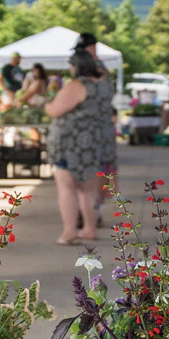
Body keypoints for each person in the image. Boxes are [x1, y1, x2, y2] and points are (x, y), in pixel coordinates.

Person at [45, 49, 117, 244]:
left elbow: (55, 110)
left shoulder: (76, 86)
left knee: (67, 187)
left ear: (76, 67)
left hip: (72, 145)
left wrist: (46, 105)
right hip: (98, 142)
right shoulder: (105, 84)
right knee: (90, 189)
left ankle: (69, 231)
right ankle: (90, 229)